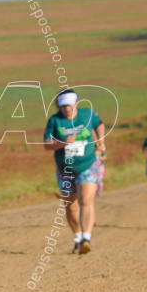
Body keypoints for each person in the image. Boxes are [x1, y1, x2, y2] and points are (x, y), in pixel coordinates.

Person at [43, 89, 107, 255]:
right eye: (63, 106)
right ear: (59, 106)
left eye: (70, 106)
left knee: (85, 199)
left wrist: (101, 141)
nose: (67, 109)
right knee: (71, 206)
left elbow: (99, 124)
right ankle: (78, 237)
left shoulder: (87, 115)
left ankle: (86, 238)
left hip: (88, 164)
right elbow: (47, 144)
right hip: (65, 170)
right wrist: (62, 142)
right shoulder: (55, 121)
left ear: (76, 103)